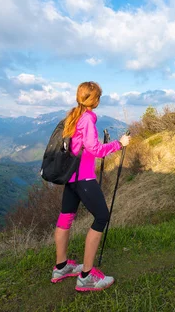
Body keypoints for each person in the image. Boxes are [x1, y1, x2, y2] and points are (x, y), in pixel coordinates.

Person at [51, 81, 130, 292]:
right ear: (94, 100)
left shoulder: (72, 116)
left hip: (70, 178)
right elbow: (95, 149)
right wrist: (119, 144)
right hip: (83, 178)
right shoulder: (86, 119)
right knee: (102, 216)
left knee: (65, 217)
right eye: (99, 97)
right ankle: (86, 276)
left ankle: (61, 267)